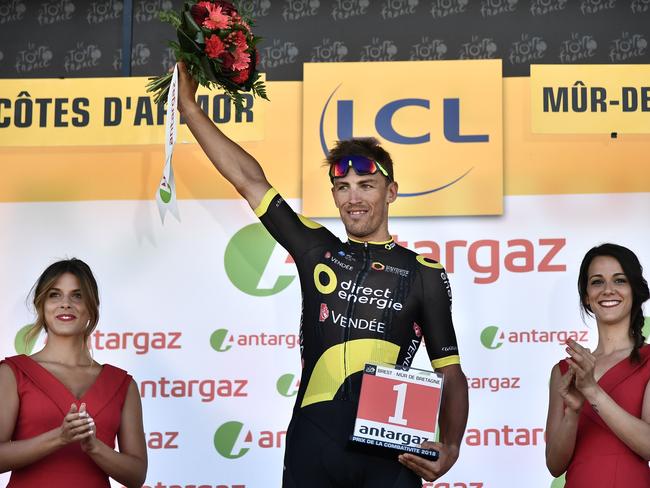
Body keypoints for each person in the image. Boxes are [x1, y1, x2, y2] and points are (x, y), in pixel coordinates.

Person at [177, 62, 468, 487]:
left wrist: (453, 444)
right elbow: (248, 180)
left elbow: (451, 372)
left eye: (366, 185)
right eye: (343, 187)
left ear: (391, 192)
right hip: (314, 439)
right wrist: (189, 109)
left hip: (390, 450)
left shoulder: (422, 272)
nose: (353, 198)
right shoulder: (319, 251)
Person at [0, 259, 147, 488]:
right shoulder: (12, 373)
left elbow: (136, 476)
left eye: (77, 295)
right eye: (54, 295)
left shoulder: (122, 384)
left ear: (92, 305)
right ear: (42, 305)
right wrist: (59, 437)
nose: (65, 304)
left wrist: (94, 447)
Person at [545, 243, 650, 487]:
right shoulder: (565, 370)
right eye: (597, 282)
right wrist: (572, 413)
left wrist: (592, 391)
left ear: (634, 290)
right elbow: (554, 465)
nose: (608, 290)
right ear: (586, 296)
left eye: (620, 280)